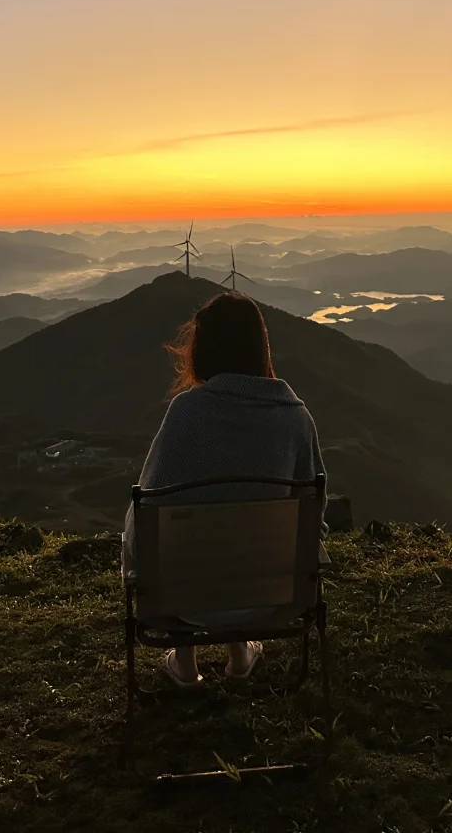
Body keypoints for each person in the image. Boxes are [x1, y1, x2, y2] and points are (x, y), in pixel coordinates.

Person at [123, 290, 326, 689]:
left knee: (168, 527)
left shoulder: (184, 413)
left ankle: (183, 663)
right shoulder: (296, 418)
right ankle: (240, 654)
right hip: (273, 599)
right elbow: (312, 513)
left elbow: (148, 509)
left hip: (182, 601)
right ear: (260, 347)